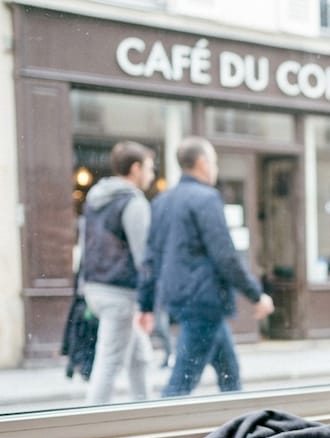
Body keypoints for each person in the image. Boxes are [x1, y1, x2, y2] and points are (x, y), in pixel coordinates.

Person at [138, 137, 274, 397]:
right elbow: (225, 255)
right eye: (214, 162)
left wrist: (145, 304)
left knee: (229, 373)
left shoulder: (162, 201)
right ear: (201, 163)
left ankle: (239, 428)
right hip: (203, 300)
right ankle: (160, 427)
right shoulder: (206, 199)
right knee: (181, 382)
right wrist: (256, 295)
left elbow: (150, 258)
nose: (216, 168)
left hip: (181, 298)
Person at [80, 141, 156, 404]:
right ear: (135, 169)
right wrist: (148, 305)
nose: (151, 174)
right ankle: (87, 427)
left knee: (140, 357)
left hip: (95, 287)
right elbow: (144, 258)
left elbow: (86, 245)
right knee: (109, 364)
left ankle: (144, 412)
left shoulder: (95, 198)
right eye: (149, 168)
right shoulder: (133, 202)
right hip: (119, 293)